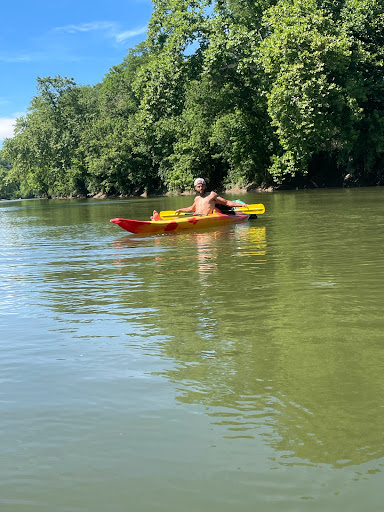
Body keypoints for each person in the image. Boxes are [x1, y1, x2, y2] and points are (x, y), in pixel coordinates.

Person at [174, 178, 248, 216]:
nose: (201, 188)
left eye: (202, 186)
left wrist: (242, 205)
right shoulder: (197, 198)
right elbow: (192, 208)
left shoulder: (212, 195)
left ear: (205, 186)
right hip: (196, 217)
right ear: (195, 188)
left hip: (206, 218)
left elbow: (226, 202)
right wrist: (181, 210)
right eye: (198, 186)